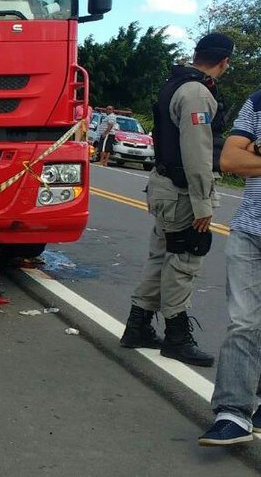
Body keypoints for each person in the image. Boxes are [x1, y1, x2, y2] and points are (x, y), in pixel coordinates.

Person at [119, 32, 234, 366]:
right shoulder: (197, 92)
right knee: (183, 262)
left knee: (160, 258)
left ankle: (137, 326)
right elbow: (197, 152)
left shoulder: (174, 83)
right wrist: (203, 203)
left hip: (165, 187)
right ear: (224, 61)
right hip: (184, 192)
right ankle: (177, 337)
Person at [198, 86, 261, 446]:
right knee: (245, 323)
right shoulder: (258, 100)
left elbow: (245, 156)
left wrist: (255, 149)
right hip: (250, 230)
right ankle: (233, 413)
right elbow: (230, 161)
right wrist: (246, 152)